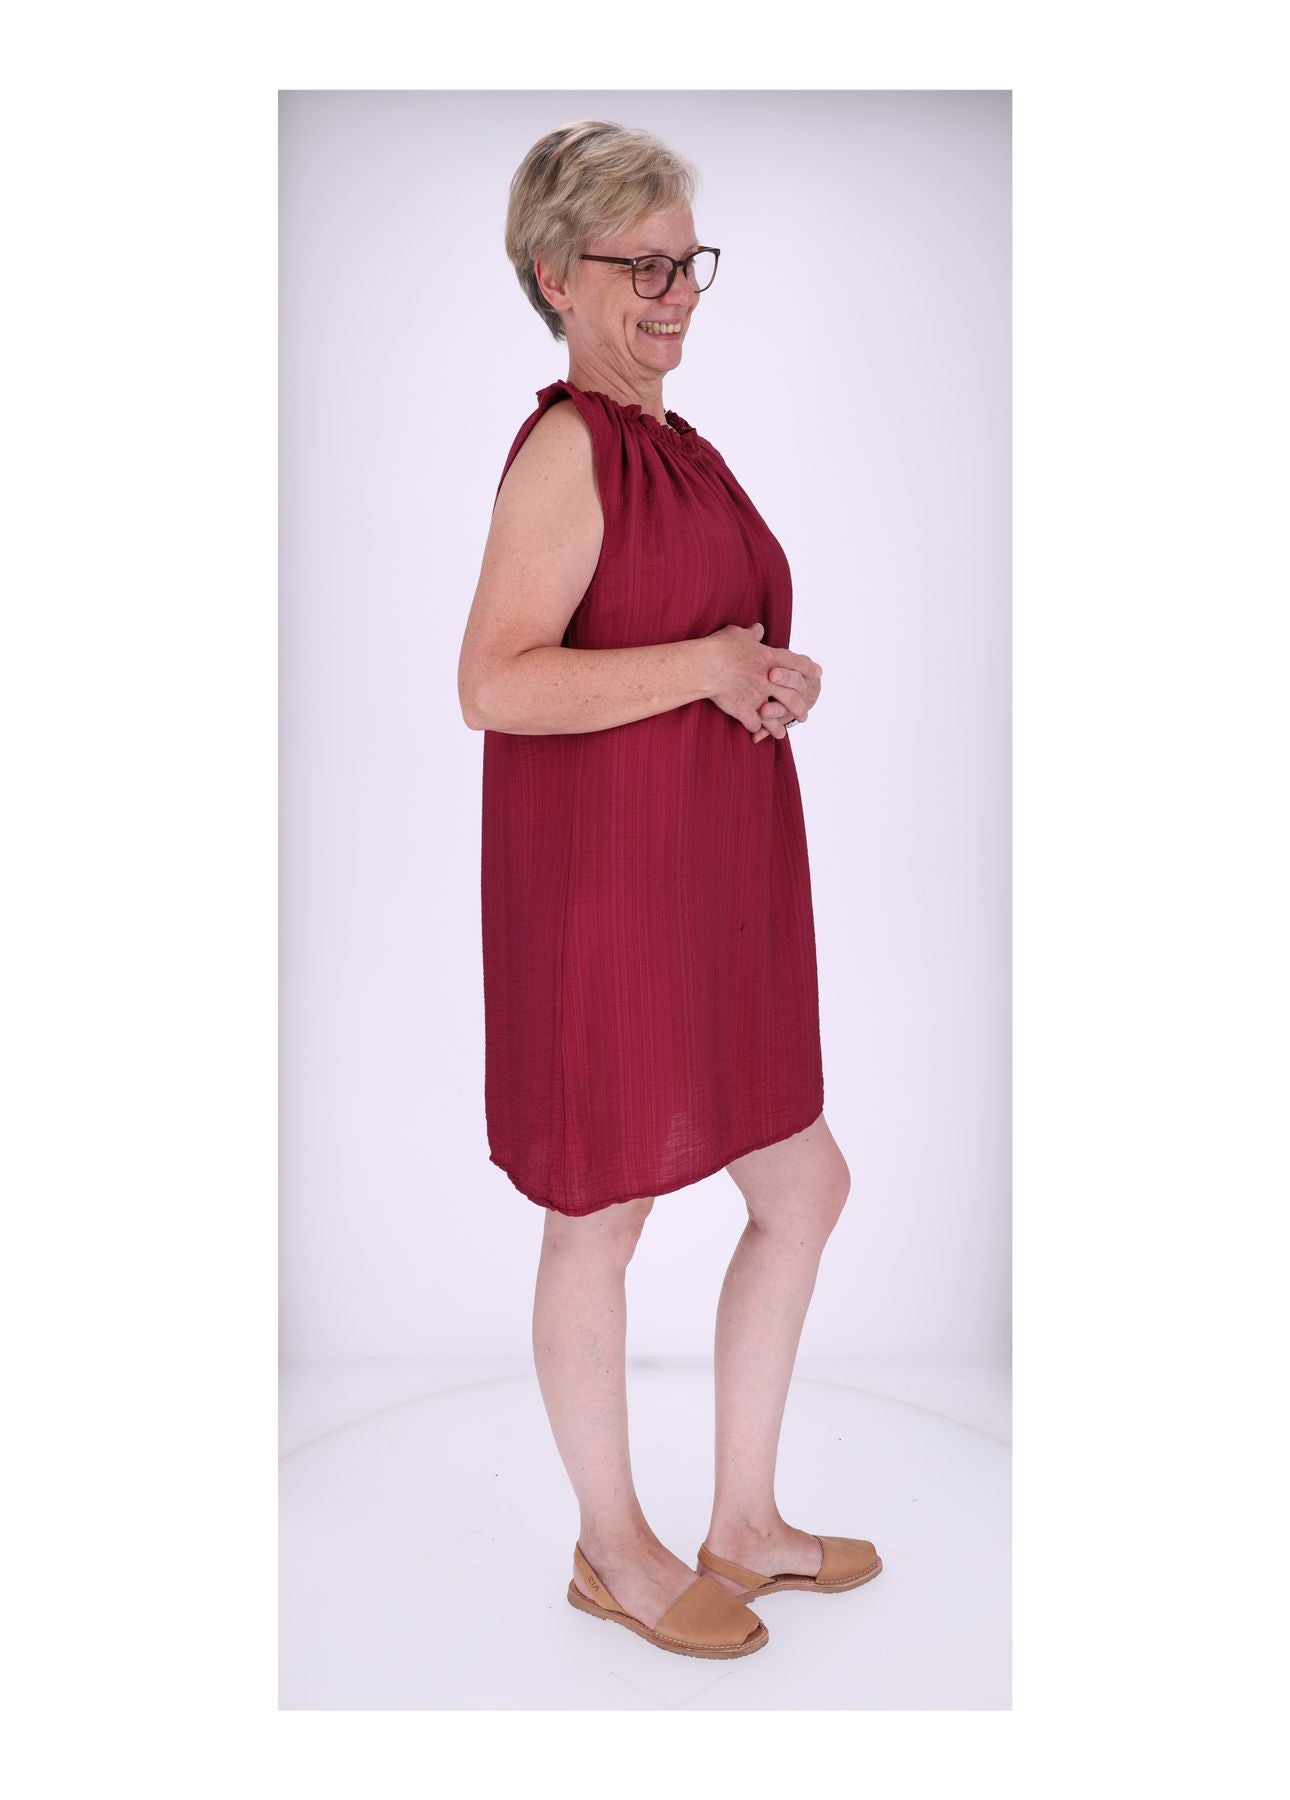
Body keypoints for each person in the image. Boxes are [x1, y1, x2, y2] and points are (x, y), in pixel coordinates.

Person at [457, 120, 881, 1660]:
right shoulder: (569, 447)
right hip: (610, 893)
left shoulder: (677, 445)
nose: (675, 290)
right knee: (604, 1212)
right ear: (555, 277)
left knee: (800, 1185)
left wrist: (757, 678)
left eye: (685, 259)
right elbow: (493, 683)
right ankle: (611, 1549)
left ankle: (743, 1524)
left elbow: (690, 639)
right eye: (639, 265)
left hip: (716, 877)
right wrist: (702, 665)